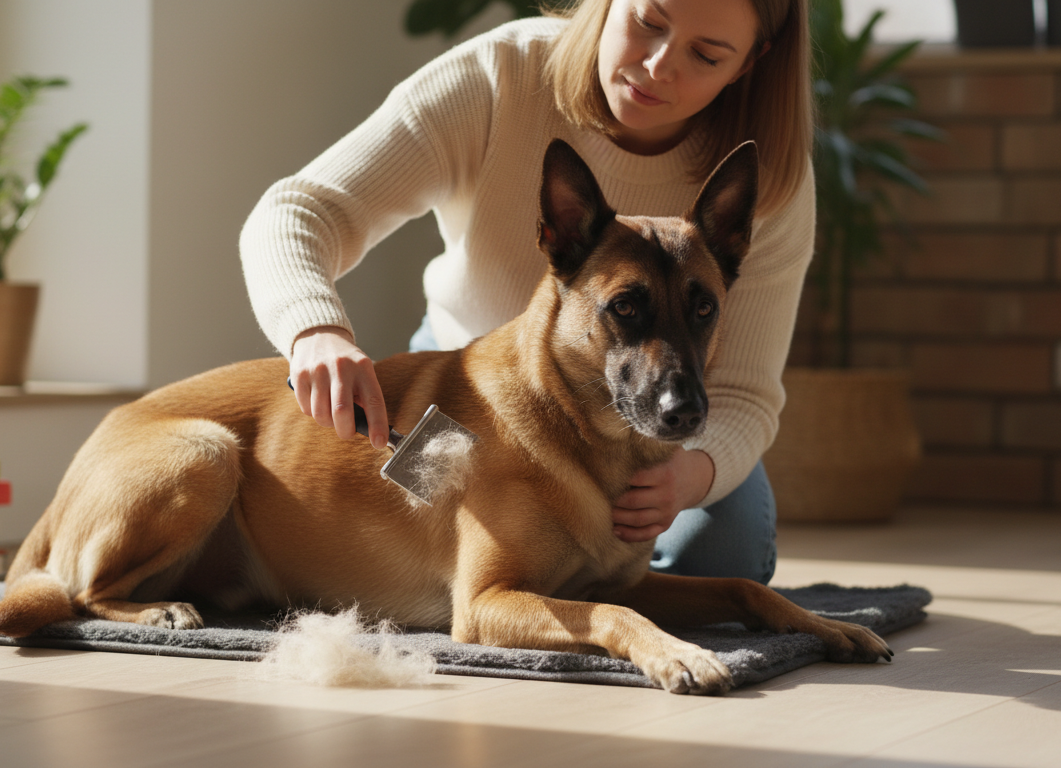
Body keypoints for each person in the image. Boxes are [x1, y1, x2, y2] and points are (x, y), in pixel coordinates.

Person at [240, 0, 812, 585]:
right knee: (456, 550)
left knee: (717, 558)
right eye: (649, 22)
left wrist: (693, 475)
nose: (660, 65)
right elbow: (300, 210)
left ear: (748, 63)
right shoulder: (499, 75)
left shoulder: (770, 173)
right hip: (473, 391)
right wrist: (315, 330)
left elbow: (747, 390)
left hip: (668, 412)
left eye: (705, 53)